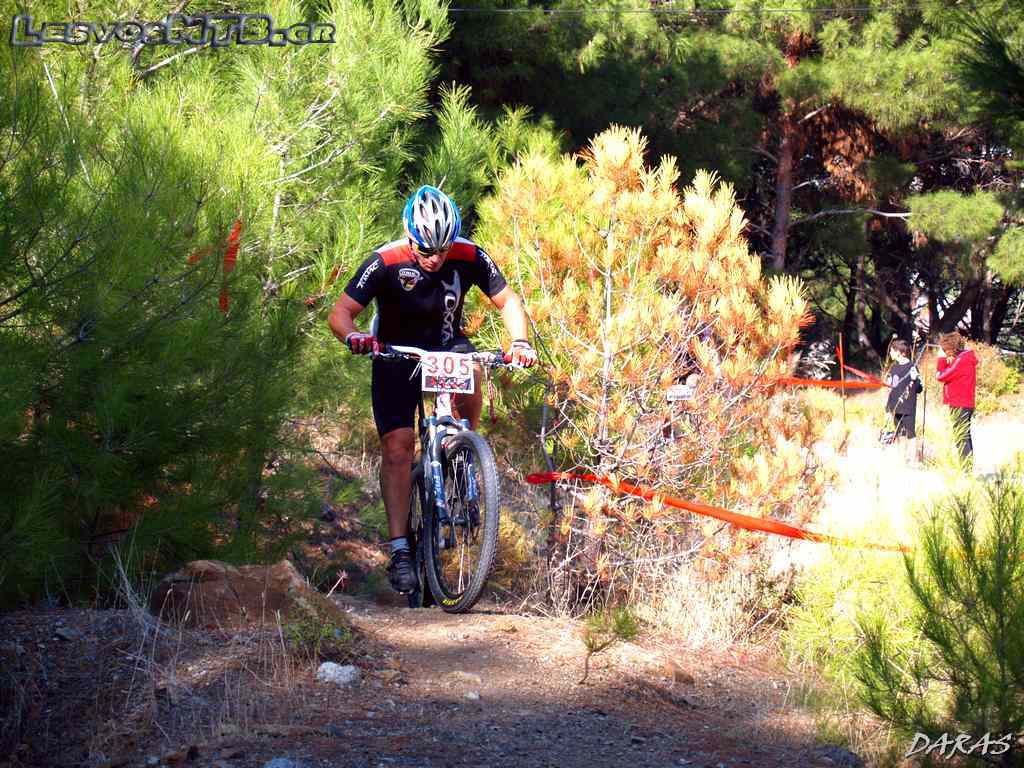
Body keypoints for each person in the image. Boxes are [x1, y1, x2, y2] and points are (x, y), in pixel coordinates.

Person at [327, 185, 538, 594]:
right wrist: (354, 337)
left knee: (472, 366)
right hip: (396, 352)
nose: (435, 258)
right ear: (409, 236)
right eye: (426, 249)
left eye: (442, 249)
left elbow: (508, 301)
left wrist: (520, 342)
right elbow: (340, 313)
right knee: (398, 447)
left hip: (446, 345)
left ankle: (464, 447)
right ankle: (400, 549)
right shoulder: (385, 261)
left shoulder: (470, 255)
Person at [936, 331, 978, 467]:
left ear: (951, 348)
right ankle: (967, 467)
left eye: (945, 350)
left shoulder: (961, 360)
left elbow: (940, 376)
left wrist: (941, 359)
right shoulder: (966, 358)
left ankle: (965, 469)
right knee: (965, 436)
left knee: (961, 437)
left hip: (959, 403)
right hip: (966, 403)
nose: (944, 352)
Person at [884, 339, 922, 464]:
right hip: (895, 406)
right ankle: (902, 460)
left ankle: (913, 460)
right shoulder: (894, 368)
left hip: (908, 407)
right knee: (899, 433)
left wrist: (915, 380)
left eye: (892, 351)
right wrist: (888, 408)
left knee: (911, 434)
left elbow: (919, 389)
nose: (890, 353)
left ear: (899, 352)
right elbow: (891, 389)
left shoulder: (912, 367)